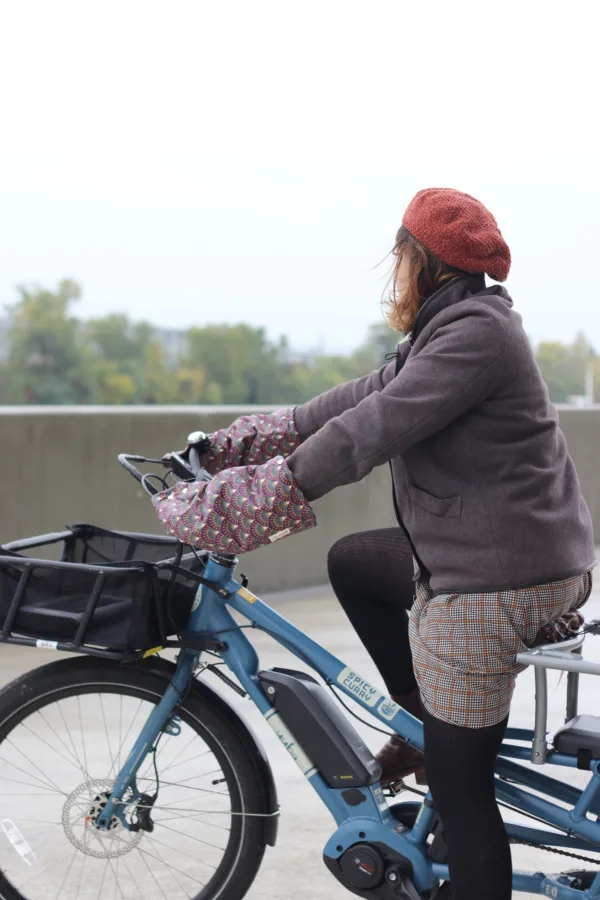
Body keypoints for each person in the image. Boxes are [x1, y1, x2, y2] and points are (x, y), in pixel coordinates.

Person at [154, 187, 596, 900]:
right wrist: (241, 445)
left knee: (462, 797)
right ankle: (424, 718)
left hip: (501, 581)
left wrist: (248, 500)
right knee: (355, 562)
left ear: (418, 260)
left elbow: (369, 432)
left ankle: (445, 758)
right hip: (511, 555)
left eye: (398, 258)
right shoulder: (449, 328)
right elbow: (352, 401)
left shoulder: (476, 336)